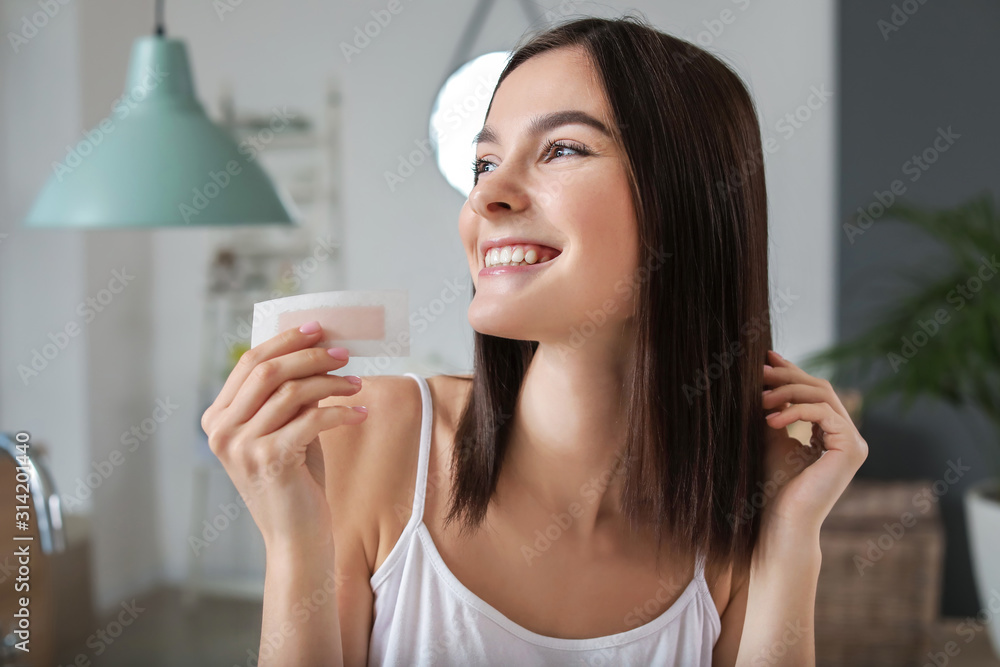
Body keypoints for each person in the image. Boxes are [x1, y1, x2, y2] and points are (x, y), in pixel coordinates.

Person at [200, 13, 868, 667]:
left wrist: (790, 537)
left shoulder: (745, 507)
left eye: (564, 148)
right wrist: (294, 540)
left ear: (687, 204)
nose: (488, 196)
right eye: (485, 162)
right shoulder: (367, 433)